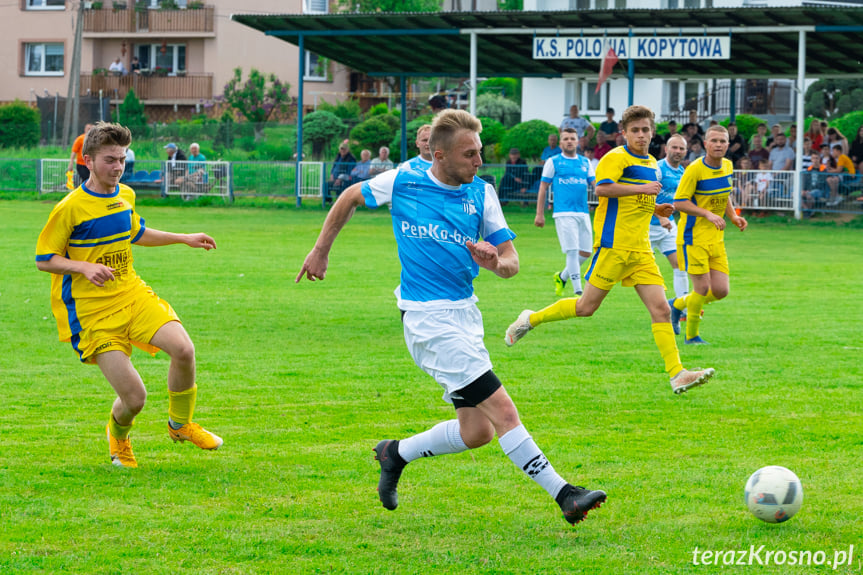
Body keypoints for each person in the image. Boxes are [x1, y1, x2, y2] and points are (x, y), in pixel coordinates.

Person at [295, 109, 606, 526]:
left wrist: (496, 261)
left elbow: (512, 263)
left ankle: (394, 454)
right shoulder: (405, 180)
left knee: (476, 432)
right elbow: (351, 195)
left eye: (479, 153)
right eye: (469, 155)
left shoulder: (482, 193)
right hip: (427, 320)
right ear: (438, 155)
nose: (478, 162)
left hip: (465, 315)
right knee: (504, 411)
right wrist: (320, 250)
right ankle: (565, 494)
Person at [35, 122, 222, 468]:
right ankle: (118, 438)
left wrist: (184, 237)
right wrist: (83, 267)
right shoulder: (70, 208)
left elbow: (137, 232)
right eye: (110, 160)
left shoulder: (126, 195)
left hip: (132, 295)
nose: (118, 167)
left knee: (183, 349)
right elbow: (45, 259)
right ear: (88, 161)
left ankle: (180, 425)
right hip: (93, 314)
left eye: (121, 159)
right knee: (134, 398)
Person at [505, 105, 714, 395]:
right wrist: (643, 191)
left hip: (641, 251)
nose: (641, 135)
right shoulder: (615, 158)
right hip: (612, 246)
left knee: (661, 310)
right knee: (585, 308)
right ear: (624, 133)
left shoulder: (652, 162)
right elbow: (603, 190)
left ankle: (677, 374)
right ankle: (530, 318)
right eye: (635, 130)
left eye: (645, 130)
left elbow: (639, 200)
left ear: (652, 132)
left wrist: (660, 211)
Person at [669, 125, 748, 345]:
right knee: (702, 289)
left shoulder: (728, 166)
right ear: (705, 144)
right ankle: (692, 335)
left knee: (721, 290)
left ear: (728, 144)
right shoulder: (694, 170)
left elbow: (725, 196)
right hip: (693, 237)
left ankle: (676, 304)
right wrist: (707, 214)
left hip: (716, 237)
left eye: (723, 141)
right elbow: (679, 202)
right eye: (714, 141)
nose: (719, 145)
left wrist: (732, 217)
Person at [535, 128, 594, 297]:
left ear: (578, 142)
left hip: (583, 212)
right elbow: (543, 187)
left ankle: (562, 277)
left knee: (586, 252)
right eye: (566, 138)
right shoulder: (553, 162)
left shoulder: (585, 162)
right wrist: (539, 214)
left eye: (572, 138)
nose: (569, 141)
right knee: (573, 251)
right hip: (563, 213)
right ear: (561, 143)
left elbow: (595, 185)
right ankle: (578, 291)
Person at [652, 134, 691, 332]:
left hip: (668, 227)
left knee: (680, 264)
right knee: (630, 271)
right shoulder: (658, 169)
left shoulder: (682, 172)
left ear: (685, 151)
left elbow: (680, 200)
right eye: (674, 147)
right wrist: (660, 217)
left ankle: (682, 308)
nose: (677, 151)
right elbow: (643, 196)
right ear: (666, 149)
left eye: (681, 149)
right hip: (646, 226)